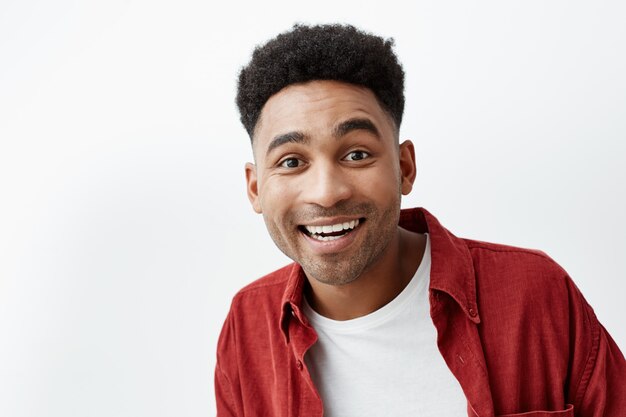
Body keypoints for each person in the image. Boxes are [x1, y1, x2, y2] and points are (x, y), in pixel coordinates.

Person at [215, 23, 625, 416]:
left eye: (356, 154)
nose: (326, 192)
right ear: (255, 188)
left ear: (405, 167)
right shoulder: (247, 327)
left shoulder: (536, 295)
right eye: (291, 162)